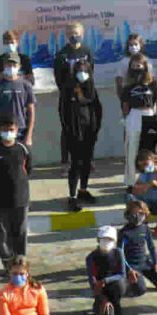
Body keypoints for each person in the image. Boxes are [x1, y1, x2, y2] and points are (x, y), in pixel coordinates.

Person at [0, 118, 32, 271]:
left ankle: (20, 264)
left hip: (21, 199)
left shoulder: (23, 149)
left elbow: (28, 170)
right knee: (3, 234)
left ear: (17, 130)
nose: (8, 133)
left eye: (11, 129)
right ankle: (7, 266)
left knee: (21, 232)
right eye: (5, 130)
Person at [60, 60, 102, 212]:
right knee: (75, 165)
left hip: (89, 132)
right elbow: (62, 112)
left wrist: (96, 129)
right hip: (74, 133)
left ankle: (83, 190)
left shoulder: (91, 88)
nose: (82, 73)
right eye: (79, 70)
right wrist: (68, 132)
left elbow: (98, 110)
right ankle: (72, 197)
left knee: (86, 163)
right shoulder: (68, 88)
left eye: (85, 70)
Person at [54, 22, 96, 166]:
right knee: (67, 130)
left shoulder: (87, 51)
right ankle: (66, 162)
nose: (74, 36)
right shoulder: (61, 54)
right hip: (67, 98)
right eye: (71, 33)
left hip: (84, 98)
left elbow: (91, 72)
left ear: (82, 35)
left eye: (76, 33)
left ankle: (87, 160)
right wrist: (68, 90)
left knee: (86, 129)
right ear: (66, 35)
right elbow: (58, 78)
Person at [121, 53, 157, 187]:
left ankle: (150, 180)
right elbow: (125, 107)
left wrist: (156, 120)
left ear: (144, 66)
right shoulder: (127, 86)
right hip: (134, 115)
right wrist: (128, 119)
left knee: (149, 151)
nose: (136, 68)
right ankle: (131, 183)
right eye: (133, 66)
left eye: (138, 65)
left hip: (149, 114)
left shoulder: (154, 84)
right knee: (131, 150)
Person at [120, 201, 157, 297]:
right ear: (129, 214)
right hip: (132, 265)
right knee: (141, 290)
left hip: (144, 263)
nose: (138, 216)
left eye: (141, 213)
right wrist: (129, 269)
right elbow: (120, 253)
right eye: (135, 213)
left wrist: (156, 264)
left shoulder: (145, 228)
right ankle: (126, 283)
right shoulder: (124, 232)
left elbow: (151, 247)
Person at [0, 54, 37, 147]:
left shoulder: (26, 85)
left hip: (21, 129)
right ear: (3, 66)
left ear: (19, 67)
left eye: (14, 65)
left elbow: (31, 111)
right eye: (8, 65)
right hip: (2, 130)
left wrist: (29, 135)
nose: (11, 67)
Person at [85, 226, 129, 315]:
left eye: (109, 239)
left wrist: (105, 280)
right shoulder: (91, 257)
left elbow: (122, 274)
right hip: (100, 289)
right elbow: (92, 281)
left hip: (114, 285)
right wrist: (102, 297)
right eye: (103, 239)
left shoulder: (119, 252)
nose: (106, 241)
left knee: (120, 285)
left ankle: (116, 302)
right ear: (98, 240)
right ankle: (100, 302)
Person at [115, 33, 145, 111]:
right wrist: (123, 100)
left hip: (145, 98)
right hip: (129, 97)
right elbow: (119, 83)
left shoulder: (146, 61)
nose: (133, 47)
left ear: (141, 45)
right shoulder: (123, 62)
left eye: (135, 44)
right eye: (131, 45)